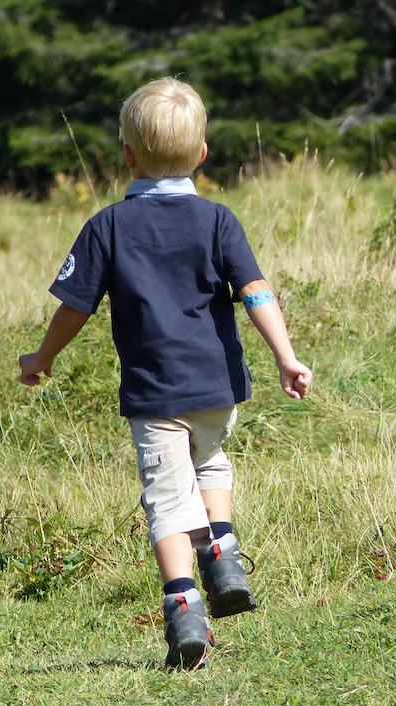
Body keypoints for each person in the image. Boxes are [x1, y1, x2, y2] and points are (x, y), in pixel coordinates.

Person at [18, 77, 311, 670]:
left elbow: (76, 307)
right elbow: (255, 293)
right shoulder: (219, 220)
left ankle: (185, 612)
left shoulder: (107, 228)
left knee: (167, 504)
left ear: (126, 155)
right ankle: (223, 552)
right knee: (211, 463)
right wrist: (285, 355)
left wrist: (42, 358)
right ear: (202, 154)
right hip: (218, 388)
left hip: (156, 396)